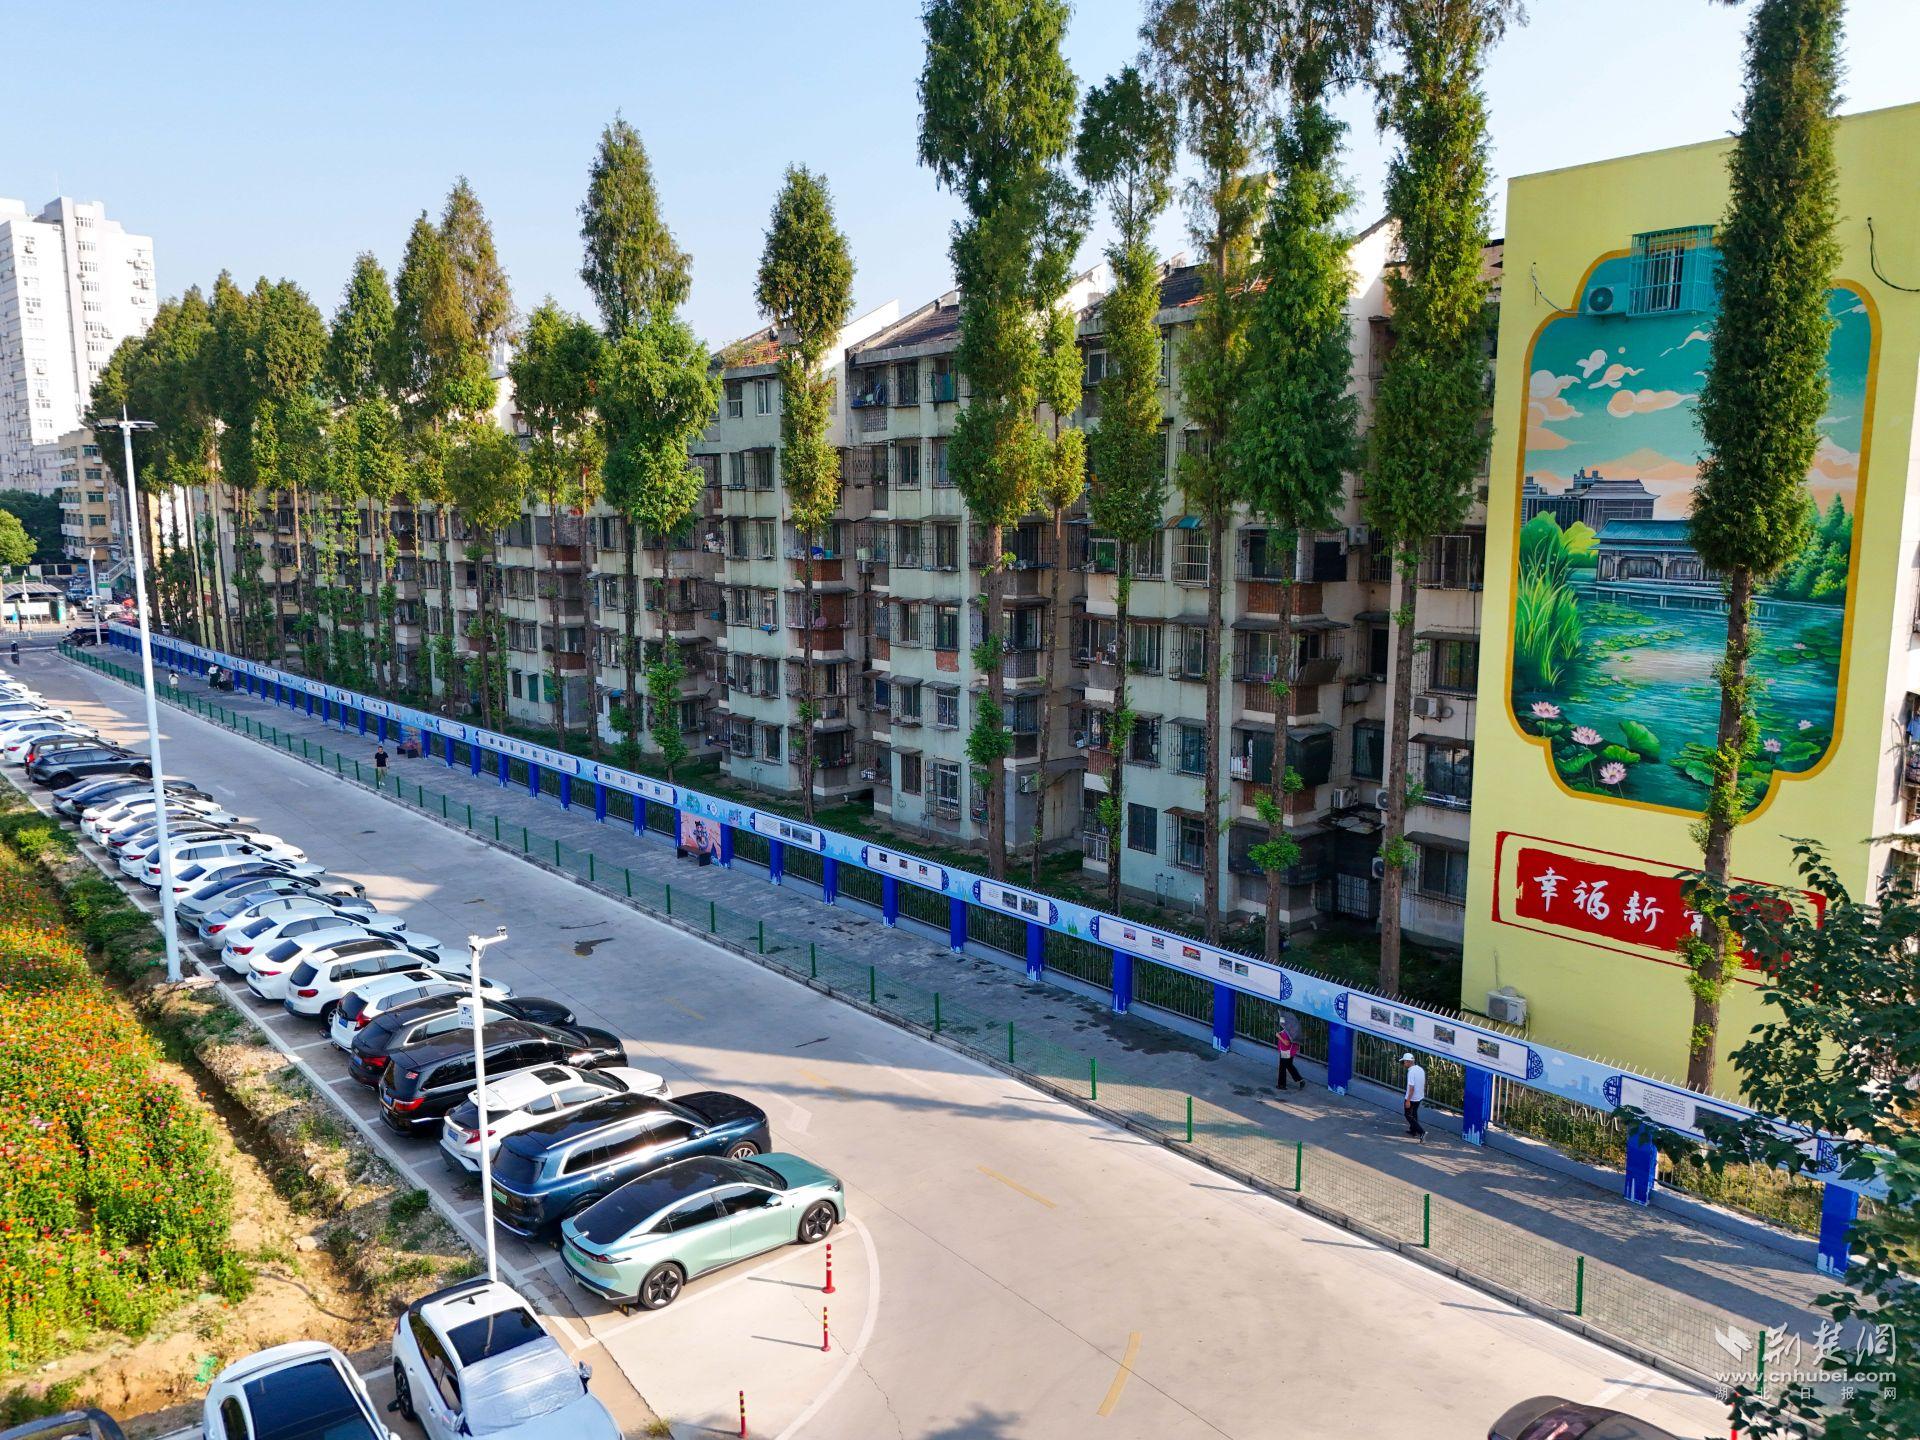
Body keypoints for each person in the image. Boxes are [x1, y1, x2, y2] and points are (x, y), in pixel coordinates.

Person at [1400, 1053, 1427, 1141]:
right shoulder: (1420, 1069)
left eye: (1404, 1061)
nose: (1403, 1063)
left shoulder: (1411, 1072)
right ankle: (1413, 1131)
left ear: (1408, 1062)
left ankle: (1421, 1132)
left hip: (1412, 1097)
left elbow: (1411, 1088)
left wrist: (1408, 1100)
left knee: (1408, 1115)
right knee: (1414, 1113)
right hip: (1419, 1096)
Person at [1275, 1023, 1306, 1091]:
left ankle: (1281, 1085)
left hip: (1286, 1052)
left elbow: (1286, 1043)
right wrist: (1280, 1033)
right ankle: (1300, 1080)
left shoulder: (1289, 1033)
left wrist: (1278, 1036)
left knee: (1282, 1068)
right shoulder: (1290, 1031)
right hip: (1290, 1052)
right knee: (1289, 1066)